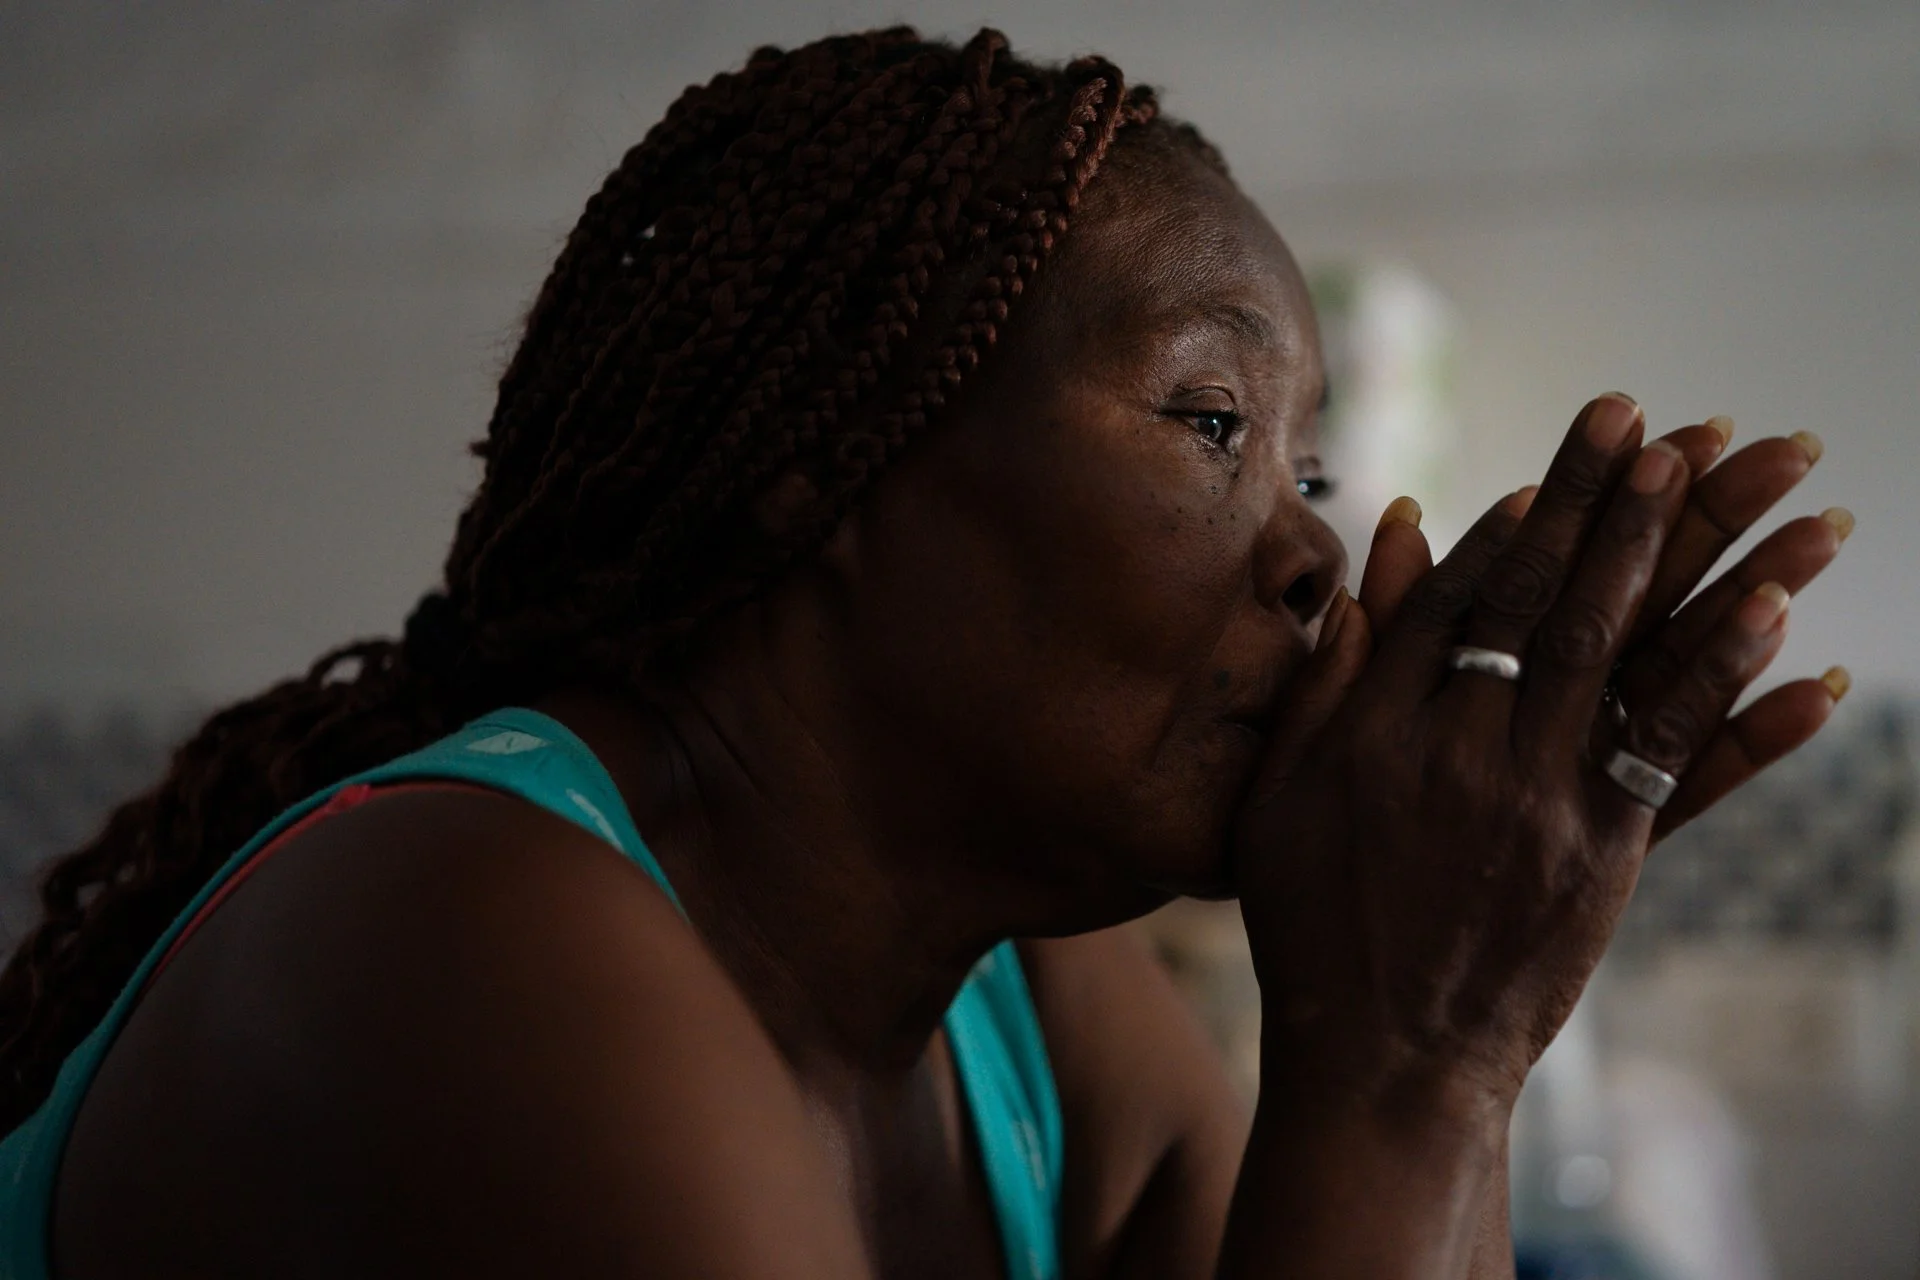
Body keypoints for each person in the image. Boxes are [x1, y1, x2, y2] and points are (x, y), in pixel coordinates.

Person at [0, 28, 1851, 1280]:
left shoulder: (1029, 1007)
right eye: (1213, 422)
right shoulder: (471, 938)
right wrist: (1419, 1052)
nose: (1311, 553)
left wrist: (1469, 1024)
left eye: (1313, 469)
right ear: (842, 459)